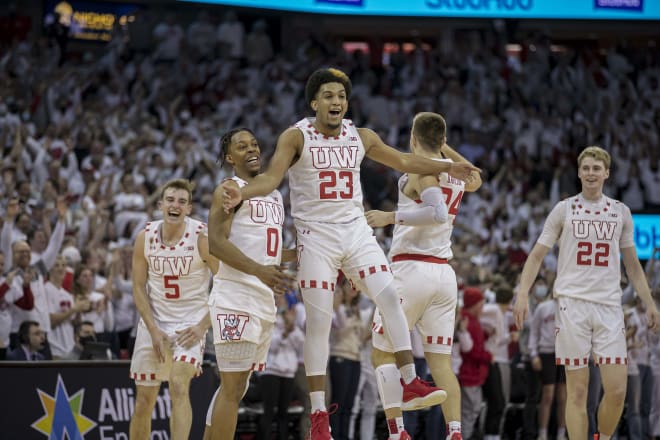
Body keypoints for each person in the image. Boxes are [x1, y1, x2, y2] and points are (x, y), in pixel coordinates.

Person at [221, 67, 479, 440]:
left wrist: (446, 165)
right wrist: (243, 192)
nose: (336, 102)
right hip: (317, 236)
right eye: (328, 95)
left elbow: (405, 161)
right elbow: (270, 178)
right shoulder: (296, 136)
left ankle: (409, 381)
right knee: (320, 325)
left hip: (355, 230)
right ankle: (319, 415)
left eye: (341, 96)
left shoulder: (362, 136)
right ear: (314, 102)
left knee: (390, 295)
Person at [513, 146, 660, 440]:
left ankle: (603, 437)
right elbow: (537, 255)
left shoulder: (621, 211)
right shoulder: (564, 208)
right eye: (587, 168)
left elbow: (632, 265)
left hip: (608, 305)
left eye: (597, 168)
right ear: (579, 172)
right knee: (577, 391)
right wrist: (521, 294)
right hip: (572, 304)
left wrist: (649, 303)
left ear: (606, 173)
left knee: (617, 391)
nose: (591, 173)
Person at [365, 111, 481, 440]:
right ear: (442, 141)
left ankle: (397, 432)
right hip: (444, 275)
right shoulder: (457, 173)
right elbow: (477, 180)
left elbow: (437, 212)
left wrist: (390, 216)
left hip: (411, 268)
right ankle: (455, 433)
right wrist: (447, 150)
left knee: (382, 352)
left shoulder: (420, 171)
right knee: (441, 362)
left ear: (413, 139)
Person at [204, 128, 295, 440]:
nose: (252, 149)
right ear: (230, 158)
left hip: (262, 299)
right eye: (242, 146)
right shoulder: (229, 188)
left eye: (254, 143)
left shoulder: (274, 193)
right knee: (231, 390)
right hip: (236, 296)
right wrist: (260, 271)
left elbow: (264, 247)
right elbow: (215, 243)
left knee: (237, 389)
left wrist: (300, 253)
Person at [129, 178, 219, 440]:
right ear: (160, 205)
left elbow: (226, 284)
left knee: (179, 385)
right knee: (144, 402)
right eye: (170, 200)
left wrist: (203, 325)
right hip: (153, 322)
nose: (175, 205)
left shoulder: (201, 238)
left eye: (181, 201)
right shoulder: (144, 238)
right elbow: (137, 287)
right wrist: (153, 329)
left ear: (189, 208)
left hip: (190, 323)